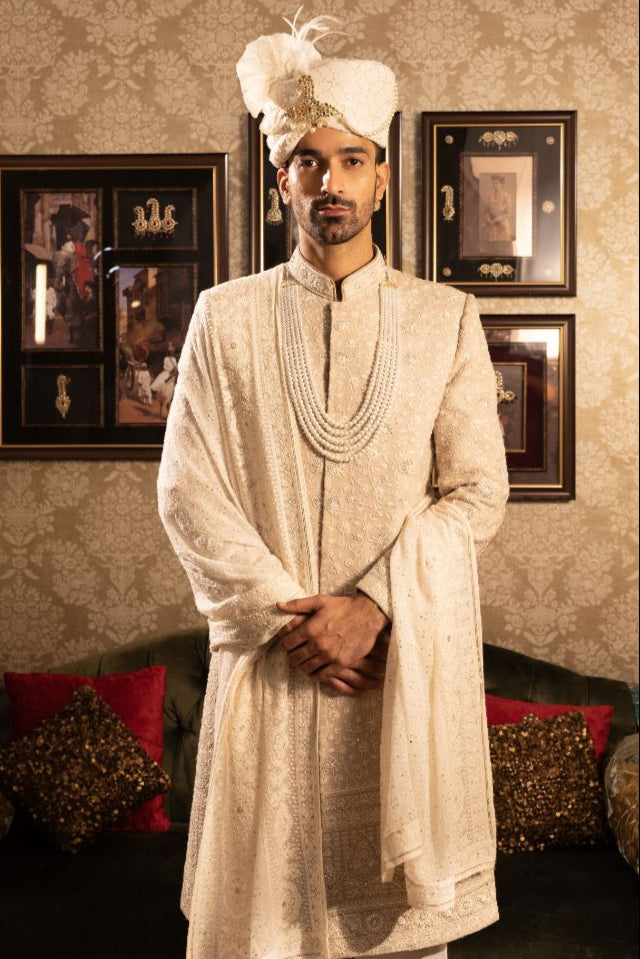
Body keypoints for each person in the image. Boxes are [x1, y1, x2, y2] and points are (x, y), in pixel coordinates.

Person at [158, 13, 509, 959]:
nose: (332, 183)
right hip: (271, 674)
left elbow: (476, 493)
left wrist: (373, 608)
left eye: (352, 160)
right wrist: (294, 619)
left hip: (390, 681)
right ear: (283, 179)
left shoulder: (446, 319)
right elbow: (188, 492)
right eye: (309, 163)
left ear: (384, 174)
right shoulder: (224, 320)